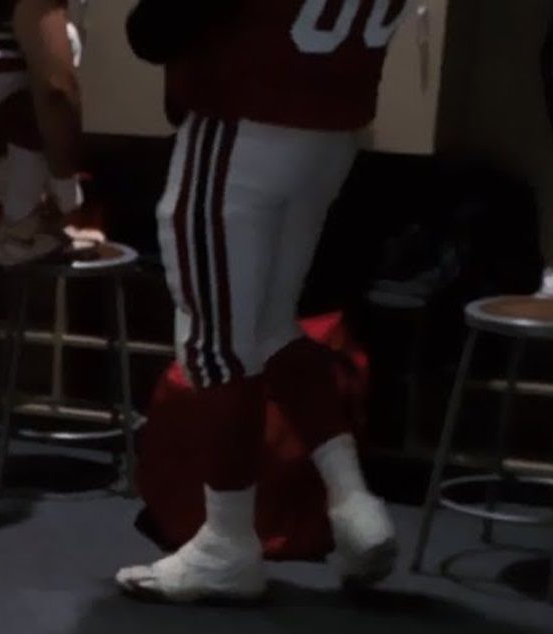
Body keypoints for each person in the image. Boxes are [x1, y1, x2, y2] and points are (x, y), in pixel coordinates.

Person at [115, 0, 407, 603]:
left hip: (244, 125)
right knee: (271, 327)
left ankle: (226, 544)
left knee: (216, 345)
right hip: (330, 130)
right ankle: (353, 504)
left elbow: (153, 31)